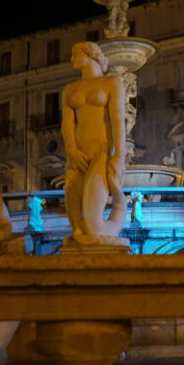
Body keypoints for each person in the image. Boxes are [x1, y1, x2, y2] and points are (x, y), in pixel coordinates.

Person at [61, 42, 128, 245]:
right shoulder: (70, 89)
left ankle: (120, 207)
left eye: (75, 54)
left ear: (90, 55)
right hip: (77, 156)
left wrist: (119, 155)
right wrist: (71, 149)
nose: (72, 59)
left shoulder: (112, 82)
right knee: (78, 230)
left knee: (93, 226)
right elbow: (67, 123)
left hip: (102, 153)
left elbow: (118, 119)